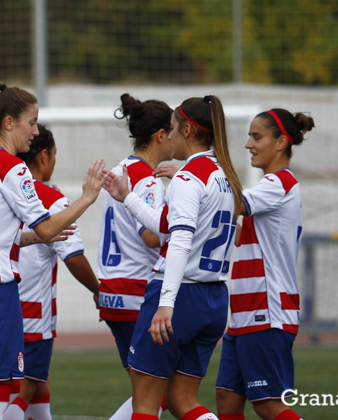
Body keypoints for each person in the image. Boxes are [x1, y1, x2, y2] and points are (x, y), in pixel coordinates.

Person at [0, 81, 106, 420]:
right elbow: (47, 226)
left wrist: (34, 239)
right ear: (9, 123)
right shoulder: (11, 166)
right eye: (31, 122)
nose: (36, 131)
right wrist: (88, 197)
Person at [105, 95, 242, 420]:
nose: (170, 135)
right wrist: (128, 197)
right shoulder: (224, 176)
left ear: (189, 130)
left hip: (181, 296)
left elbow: (178, 242)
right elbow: (165, 225)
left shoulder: (187, 178)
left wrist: (166, 302)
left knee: (146, 403)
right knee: (183, 401)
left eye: (173, 128)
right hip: (215, 298)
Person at [215, 109, 314, 420]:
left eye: (256, 137)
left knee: (268, 403)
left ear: (281, 142)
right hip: (245, 313)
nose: (248, 144)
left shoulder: (280, 182)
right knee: (227, 400)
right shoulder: (270, 186)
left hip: (267, 312)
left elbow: (234, 203)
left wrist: (203, 170)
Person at [3, 124, 101, 420]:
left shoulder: (0, 191)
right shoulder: (50, 200)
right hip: (32, 316)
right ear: (44, 156)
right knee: (20, 394)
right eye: (55, 155)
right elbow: (73, 257)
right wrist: (98, 290)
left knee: (34, 387)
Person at [98, 93, 173, 420]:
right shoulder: (147, 179)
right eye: (173, 132)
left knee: (147, 393)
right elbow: (150, 236)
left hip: (112, 291)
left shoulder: (119, 170)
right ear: (159, 136)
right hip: (135, 292)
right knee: (157, 395)